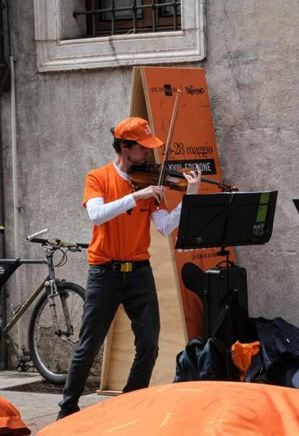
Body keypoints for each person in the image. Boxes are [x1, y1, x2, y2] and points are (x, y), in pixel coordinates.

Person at [58, 116, 200, 419]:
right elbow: (96, 215)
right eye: (143, 148)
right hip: (104, 272)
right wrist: (136, 195)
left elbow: (163, 227)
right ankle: (67, 408)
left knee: (149, 343)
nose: (148, 155)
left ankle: (130, 402)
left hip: (139, 271)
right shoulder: (98, 177)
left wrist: (189, 199)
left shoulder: (149, 182)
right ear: (125, 146)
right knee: (89, 344)